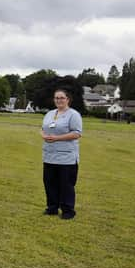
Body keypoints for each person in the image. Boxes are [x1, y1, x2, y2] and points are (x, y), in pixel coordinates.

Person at [40, 89, 83, 220]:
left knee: (66, 185)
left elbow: (77, 133)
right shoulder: (49, 114)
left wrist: (57, 138)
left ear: (68, 99)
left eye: (61, 98)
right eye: (56, 98)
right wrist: (43, 135)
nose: (59, 100)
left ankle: (68, 210)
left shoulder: (73, 115)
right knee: (50, 183)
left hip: (66, 158)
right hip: (49, 156)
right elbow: (42, 129)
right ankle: (52, 207)